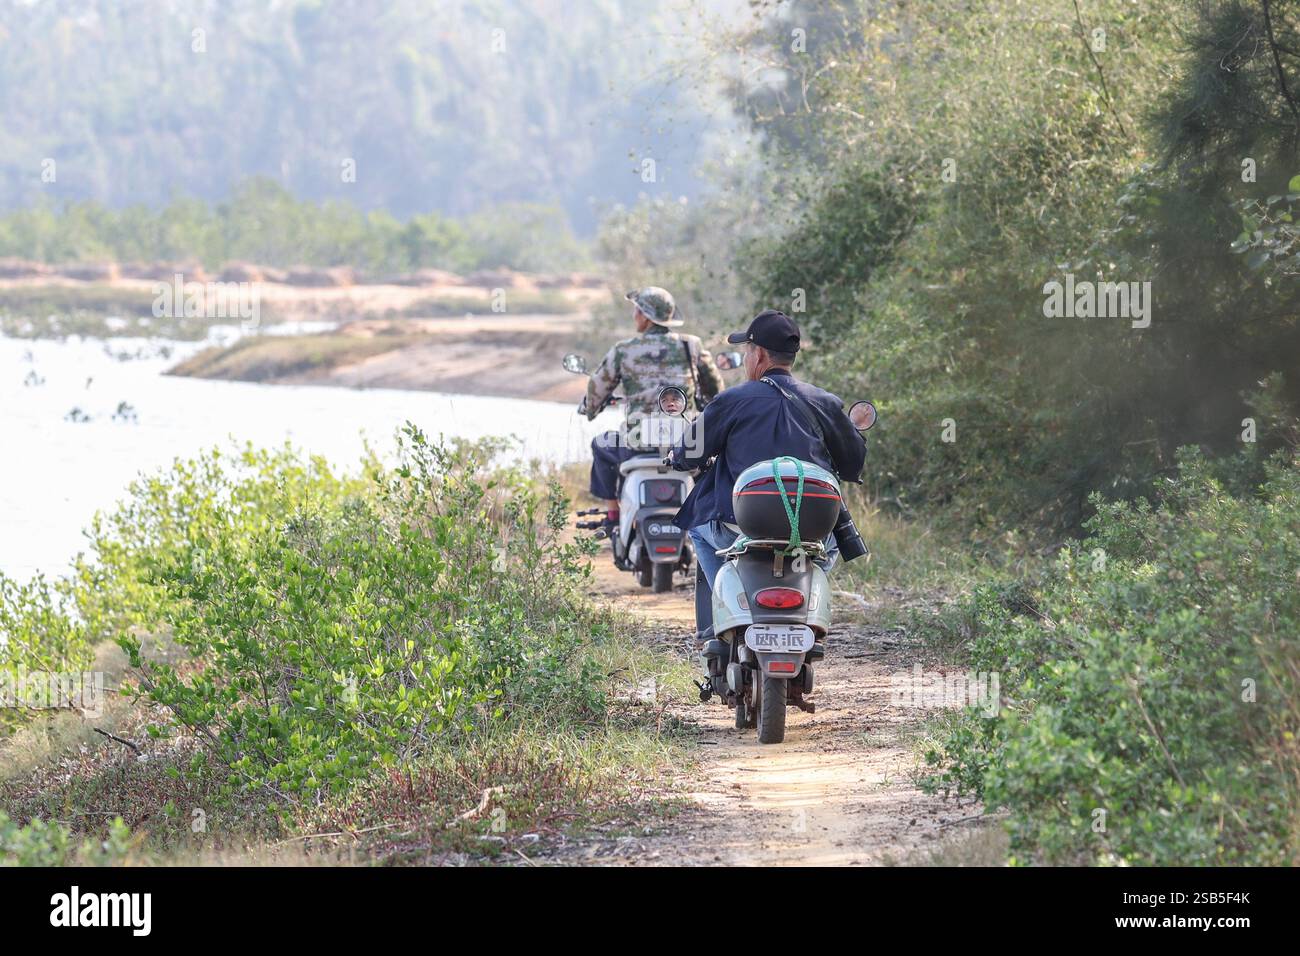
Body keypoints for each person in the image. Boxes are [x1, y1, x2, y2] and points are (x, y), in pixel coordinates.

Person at [665, 309, 866, 635]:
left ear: (757, 354)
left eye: (746, 352)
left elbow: (689, 453)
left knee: (699, 526)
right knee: (827, 545)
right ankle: (807, 601)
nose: (746, 359)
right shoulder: (824, 401)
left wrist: (678, 457)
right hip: (812, 528)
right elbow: (853, 463)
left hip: (738, 526)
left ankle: (723, 605)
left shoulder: (731, 400)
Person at [582, 286, 724, 532]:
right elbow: (715, 390)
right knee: (713, 462)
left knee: (601, 445)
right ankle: (710, 519)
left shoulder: (623, 350)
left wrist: (590, 409)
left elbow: (598, 388)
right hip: (685, 446)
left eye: (636, 310)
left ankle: (613, 515)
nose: (634, 315)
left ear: (646, 316)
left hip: (636, 446)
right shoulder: (692, 346)